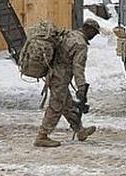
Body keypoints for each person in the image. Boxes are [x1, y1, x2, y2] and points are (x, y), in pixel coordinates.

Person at [34, 19, 101, 148]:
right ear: (88, 29)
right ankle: (42, 136)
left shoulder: (69, 35)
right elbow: (78, 67)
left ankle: (80, 131)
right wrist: (81, 86)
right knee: (56, 107)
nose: (94, 36)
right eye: (94, 32)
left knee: (67, 105)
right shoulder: (80, 44)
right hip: (60, 78)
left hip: (54, 74)